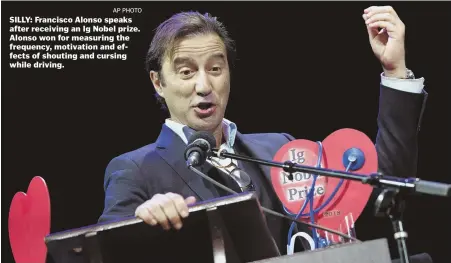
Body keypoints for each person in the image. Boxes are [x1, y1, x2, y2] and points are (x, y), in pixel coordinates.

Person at [98, 6, 428, 254]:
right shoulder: (135, 169)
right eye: (186, 72)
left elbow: (385, 183)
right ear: (159, 82)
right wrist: (140, 222)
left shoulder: (279, 150)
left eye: (215, 68)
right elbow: (103, 248)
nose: (204, 85)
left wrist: (395, 70)